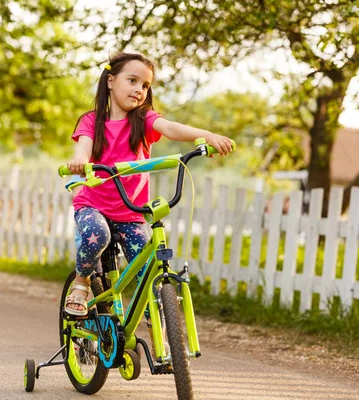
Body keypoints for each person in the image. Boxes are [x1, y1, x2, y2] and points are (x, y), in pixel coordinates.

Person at [64, 52, 233, 316]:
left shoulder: (144, 121)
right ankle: (81, 282)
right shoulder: (92, 120)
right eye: (132, 80)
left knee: (148, 269)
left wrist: (206, 135)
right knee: (98, 235)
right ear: (110, 81)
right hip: (93, 205)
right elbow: (83, 147)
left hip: (131, 213)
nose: (139, 90)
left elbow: (172, 128)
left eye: (145, 85)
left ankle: (160, 330)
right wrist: (79, 160)